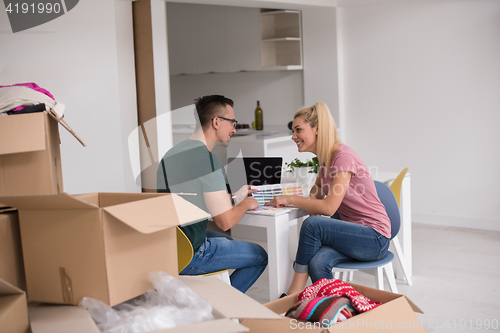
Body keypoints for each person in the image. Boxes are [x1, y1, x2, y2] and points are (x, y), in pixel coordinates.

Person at [266, 102, 391, 296]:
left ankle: (293, 293)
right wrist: (313, 195)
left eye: (298, 130)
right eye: (293, 131)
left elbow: (329, 207)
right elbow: (317, 187)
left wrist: (289, 199)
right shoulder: (326, 158)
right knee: (317, 263)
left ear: (317, 129)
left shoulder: (343, 156)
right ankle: (335, 309)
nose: (293, 136)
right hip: (352, 234)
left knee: (313, 224)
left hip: (374, 237)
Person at [157, 95, 268, 293]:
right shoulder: (207, 161)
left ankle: (213, 298)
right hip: (190, 253)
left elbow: (192, 200)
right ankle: (221, 308)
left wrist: (233, 198)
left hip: (168, 246)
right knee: (259, 255)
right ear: (216, 122)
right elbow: (225, 222)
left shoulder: (172, 153)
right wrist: (246, 204)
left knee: (229, 242)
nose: (234, 129)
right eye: (232, 122)